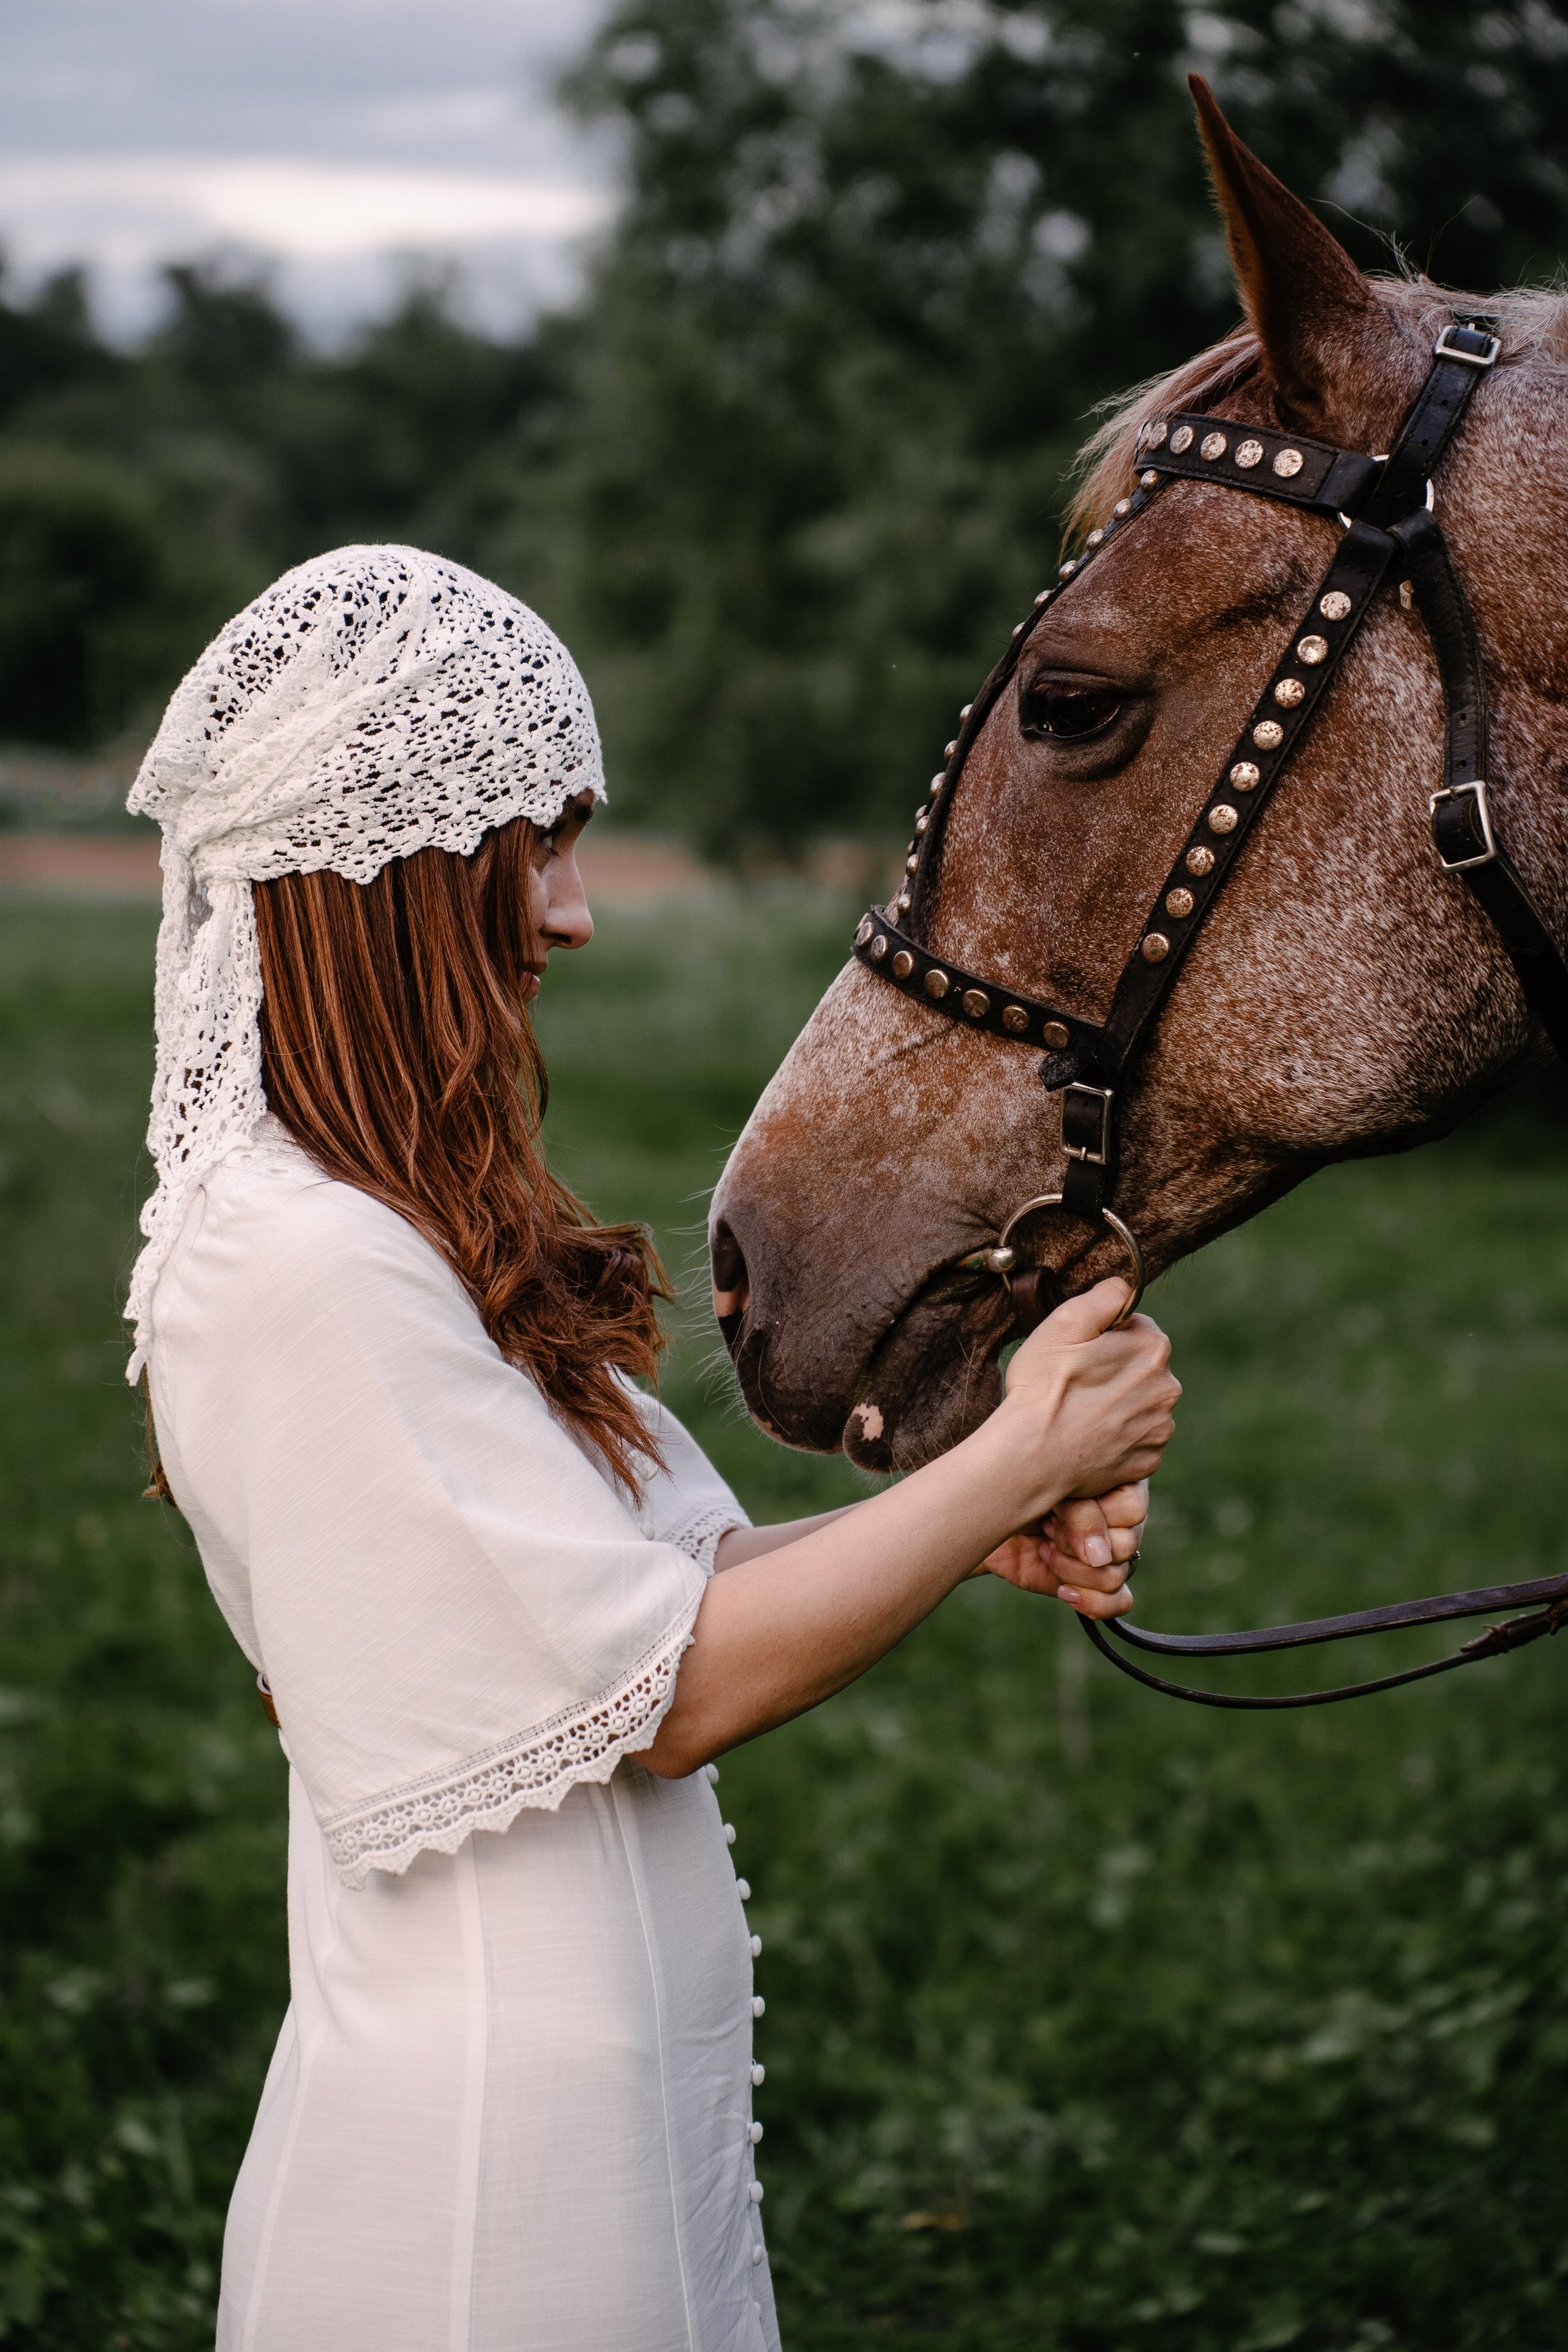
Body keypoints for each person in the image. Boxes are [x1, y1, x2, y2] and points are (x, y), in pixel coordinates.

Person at [127, 546, 1179, 2352]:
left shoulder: (376, 1230)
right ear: (391, 869)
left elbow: (652, 1599)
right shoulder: (295, 1261)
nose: (575, 916)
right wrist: (1017, 1460)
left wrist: (955, 1517)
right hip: (479, 2207)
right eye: (536, 846)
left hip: (604, 2147)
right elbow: (671, 1690)